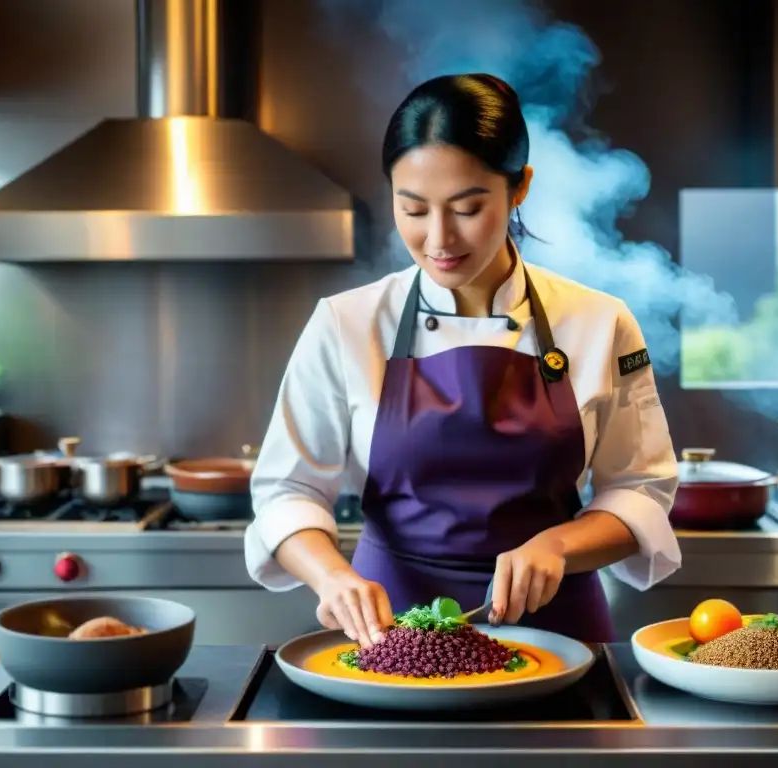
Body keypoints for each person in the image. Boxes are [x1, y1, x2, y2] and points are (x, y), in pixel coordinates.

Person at [244, 73, 681, 647]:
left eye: (467, 208)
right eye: (414, 209)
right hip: (390, 634)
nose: (439, 239)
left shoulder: (600, 322)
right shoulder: (346, 323)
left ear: (519, 187)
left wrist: (558, 545)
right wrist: (332, 576)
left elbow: (639, 491)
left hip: (556, 632)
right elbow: (286, 491)